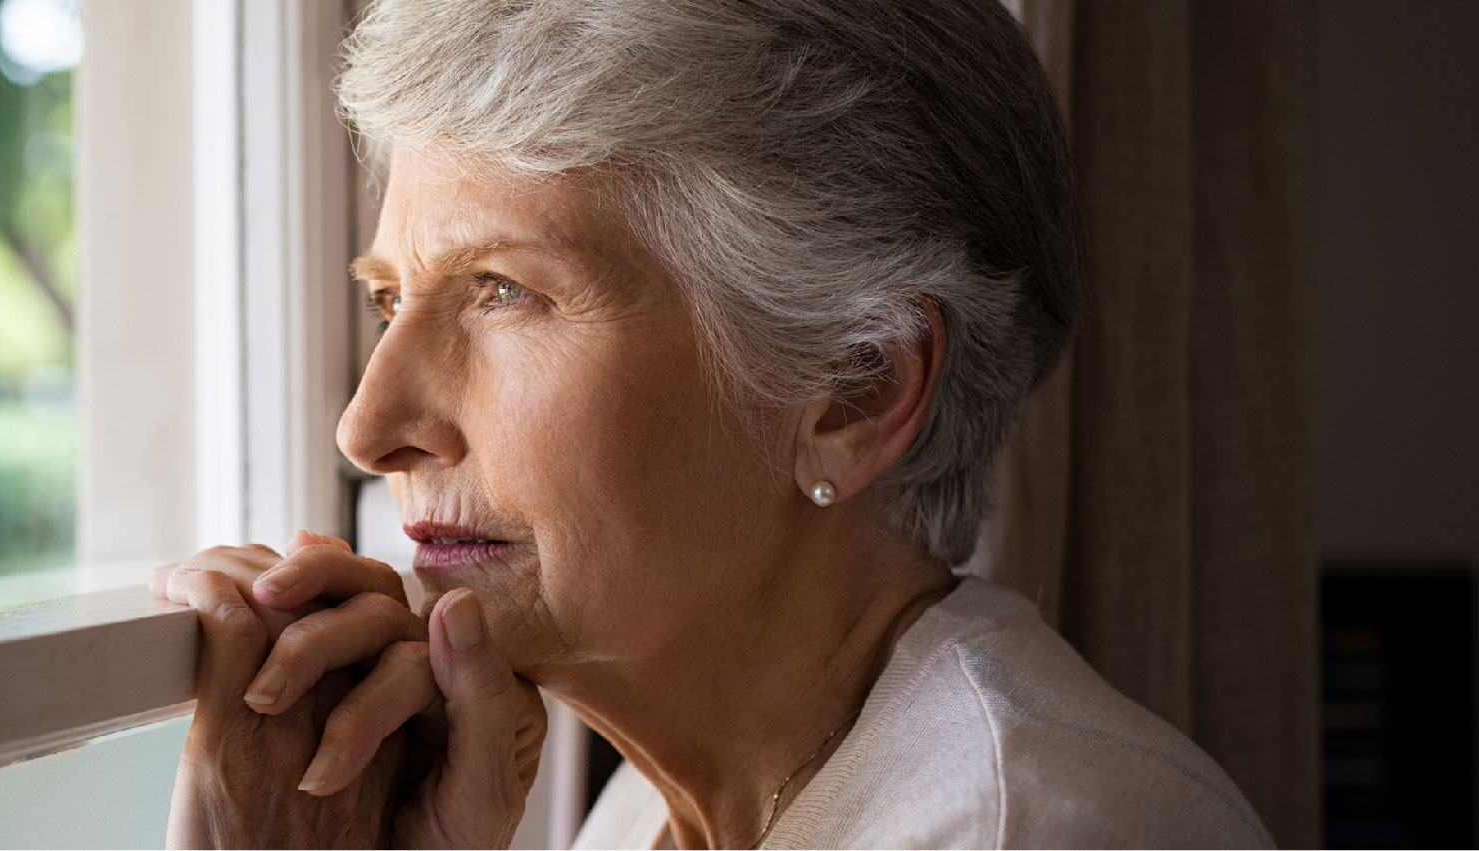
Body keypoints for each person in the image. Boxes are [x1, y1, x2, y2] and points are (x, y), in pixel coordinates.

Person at [152, 0, 1274, 846]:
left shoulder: (1020, 828)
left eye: (503, 290)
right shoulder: (657, 806)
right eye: (388, 298)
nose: (368, 425)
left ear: (854, 389)